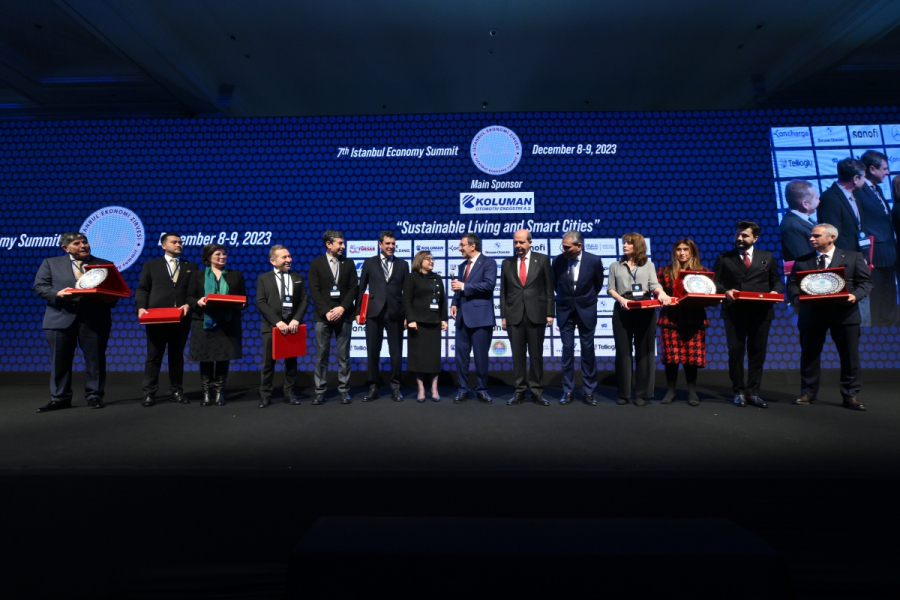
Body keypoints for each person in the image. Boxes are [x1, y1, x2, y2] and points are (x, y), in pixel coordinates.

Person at [787, 224, 873, 411]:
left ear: (832, 237)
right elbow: (792, 283)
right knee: (809, 355)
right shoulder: (802, 260)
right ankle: (808, 392)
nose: (811, 239)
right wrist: (795, 297)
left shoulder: (853, 257)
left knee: (849, 356)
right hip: (812, 314)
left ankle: (850, 395)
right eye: (811, 236)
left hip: (845, 313)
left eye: (816, 236)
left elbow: (866, 283)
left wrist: (854, 296)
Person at [33, 232, 118, 412]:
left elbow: (114, 291)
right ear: (65, 248)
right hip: (60, 317)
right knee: (60, 361)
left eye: (84, 242)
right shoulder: (51, 263)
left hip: (94, 319)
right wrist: (57, 294)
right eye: (77, 243)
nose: (83, 246)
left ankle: (94, 395)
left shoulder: (104, 264)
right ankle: (60, 398)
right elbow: (40, 286)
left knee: (95, 360)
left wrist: (111, 297)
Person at [713, 221, 784, 408]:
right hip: (734, 311)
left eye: (744, 235)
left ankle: (753, 392)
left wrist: (775, 291)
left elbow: (776, 281)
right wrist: (725, 291)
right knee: (735, 352)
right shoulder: (724, 258)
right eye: (737, 234)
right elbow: (714, 282)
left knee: (757, 352)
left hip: (761, 311)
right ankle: (738, 391)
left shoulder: (767, 257)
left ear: (755, 238)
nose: (739, 238)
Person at [607, 232, 671, 406]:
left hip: (645, 310)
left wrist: (661, 293)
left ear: (638, 245)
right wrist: (622, 300)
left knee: (645, 351)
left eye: (629, 243)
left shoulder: (649, 265)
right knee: (623, 351)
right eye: (624, 242)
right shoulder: (615, 266)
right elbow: (611, 288)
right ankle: (624, 393)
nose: (625, 245)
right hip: (623, 310)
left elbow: (654, 285)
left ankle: (642, 394)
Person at [135, 232, 196, 407]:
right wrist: (141, 307)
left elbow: (193, 291)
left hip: (181, 318)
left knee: (176, 356)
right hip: (156, 317)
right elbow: (143, 288)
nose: (179, 244)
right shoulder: (151, 265)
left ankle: (177, 391)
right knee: (154, 356)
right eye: (174, 242)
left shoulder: (190, 265)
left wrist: (188, 304)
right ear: (163, 246)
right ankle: (149, 393)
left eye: (180, 242)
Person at [500, 229, 554, 406]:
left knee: (536, 356)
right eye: (515, 242)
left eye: (521, 242)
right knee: (518, 356)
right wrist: (503, 316)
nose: (518, 245)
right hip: (514, 315)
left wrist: (550, 313)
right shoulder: (506, 263)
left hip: (536, 313)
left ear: (530, 243)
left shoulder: (543, 260)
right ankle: (519, 392)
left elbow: (549, 288)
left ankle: (537, 392)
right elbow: (503, 292)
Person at [187, 243, 246, 407]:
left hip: (228, 322)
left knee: (223, 357)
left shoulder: (236, 275)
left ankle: (219, 392)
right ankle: (207, 392)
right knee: (205, 357)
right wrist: (198, 301)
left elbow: (243, 298)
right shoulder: (197, 275)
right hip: (204, 321)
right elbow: (189, 297)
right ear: (208, 257)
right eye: (218, 254)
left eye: (224, 254)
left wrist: (242, 305)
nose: (222, 257)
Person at [552, 230, 605, 405]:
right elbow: (555, 285)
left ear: (579, 246)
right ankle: (568, 391)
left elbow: (597, 284)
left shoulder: (594, 261)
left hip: (586, 309)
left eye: (567, 247)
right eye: (563, 246)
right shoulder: (558, 261)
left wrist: (584, 300)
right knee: (567, 350)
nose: (564, 250)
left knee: (588, 350)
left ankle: (589, 391)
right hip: (565, 310)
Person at [308, 230, 358, 405]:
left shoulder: (349, 263)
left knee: (344, 356)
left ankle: (344, 390)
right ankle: (320, 391)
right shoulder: (316, 264)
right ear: (329, 244)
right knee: (321, 356)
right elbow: (314, 290)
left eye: (343, 243)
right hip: (323, 317)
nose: (343, 246)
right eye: (340, 243)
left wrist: (342, 308)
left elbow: (353, 288)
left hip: (344, 316)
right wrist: (326, 311)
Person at [357, 230, 409, 402]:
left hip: (396, 312)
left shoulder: (403, 265)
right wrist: (358, 312)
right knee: (373, 351)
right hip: (373, 312)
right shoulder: (369, 262)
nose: (391, 246)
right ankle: (373, 387)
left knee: (396, 352)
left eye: (393, 243)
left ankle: (396, 387)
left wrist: (408, 315)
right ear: (380, 244)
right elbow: (361, 288)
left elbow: (407, 293)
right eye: (387, 243)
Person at [656, 239, 709, 406]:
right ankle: (671, 391)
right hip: (670, 319)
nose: (682, 252)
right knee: (671, 358)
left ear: (692, 252)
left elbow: (709, 294)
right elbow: (656, 293)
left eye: (686, 249)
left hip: (694, 320)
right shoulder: (664, 272)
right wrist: (663, 297)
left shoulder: (703, 272)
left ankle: (692, 391)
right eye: (678, 249)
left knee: (691, 358)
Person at [256, 245, 309, 408]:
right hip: (271, 327)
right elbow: (261, 302)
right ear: (273, 261)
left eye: (289, 256)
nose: (288, 260)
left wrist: (296, 320)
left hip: (292, 327)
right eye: (284, 257)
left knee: (291, 363)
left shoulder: (297, 277)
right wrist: (277, 322)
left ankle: (290, 394)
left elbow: (304, 300)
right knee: (268, 364)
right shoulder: (264, 278)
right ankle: (265, 396)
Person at [450, 233, 497, 404]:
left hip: (481, 318)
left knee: (480, 357)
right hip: (462, 318)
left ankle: (482, 389)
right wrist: (454, 302)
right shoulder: (462, 266)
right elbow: (459, 290)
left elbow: (489, 285)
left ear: (472, 246)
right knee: (461, 357)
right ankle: (463, 389)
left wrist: (464, 286)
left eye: (462, 245)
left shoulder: (489, 263)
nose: (459, 248)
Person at [856, 150, 897, 326]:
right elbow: (861, 225)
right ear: (872, 169)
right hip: (874, 255)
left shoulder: (876, 188)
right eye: (885, 169)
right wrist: (866, 253)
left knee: (889, 296)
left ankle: (891, 325)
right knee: (877, 298)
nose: (888, 172)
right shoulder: (858, 191)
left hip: (888, 252)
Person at [403, 251, 448, 402]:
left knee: (433, 358)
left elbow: (442, 301)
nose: (431, 261)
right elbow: (407, 300)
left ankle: (434, 389)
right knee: (418, 357)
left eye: (432, 259)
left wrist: (444, 319)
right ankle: (421, 389)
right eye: (427, 259)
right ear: (419, 261)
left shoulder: (437, 278)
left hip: (434, 323)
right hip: (417, 324)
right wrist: (410, 319)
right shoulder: (411, 278)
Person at [816, 158, 868, 254]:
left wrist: (864, 255)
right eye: (864, 177)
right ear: (856, 179)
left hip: (859, 256)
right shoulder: (829, 198)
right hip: (845, 258)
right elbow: (833, 235)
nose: (865, 181)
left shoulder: (856, 195)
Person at [780, 180, 819, 262]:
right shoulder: (791, 227)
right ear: (805, 204)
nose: (819, 201)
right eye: (816, 198)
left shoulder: (802, 220)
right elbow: (805, 261)